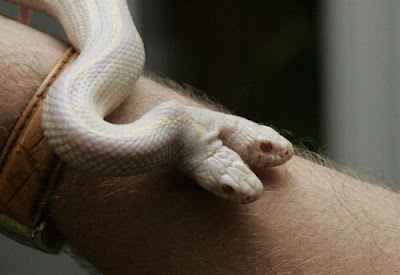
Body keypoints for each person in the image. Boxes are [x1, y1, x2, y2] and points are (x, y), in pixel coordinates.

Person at [0, 15, 399, 274]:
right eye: (260, 148)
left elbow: (176, 121)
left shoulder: (183, 129)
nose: (274, 156)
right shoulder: (172, 133)